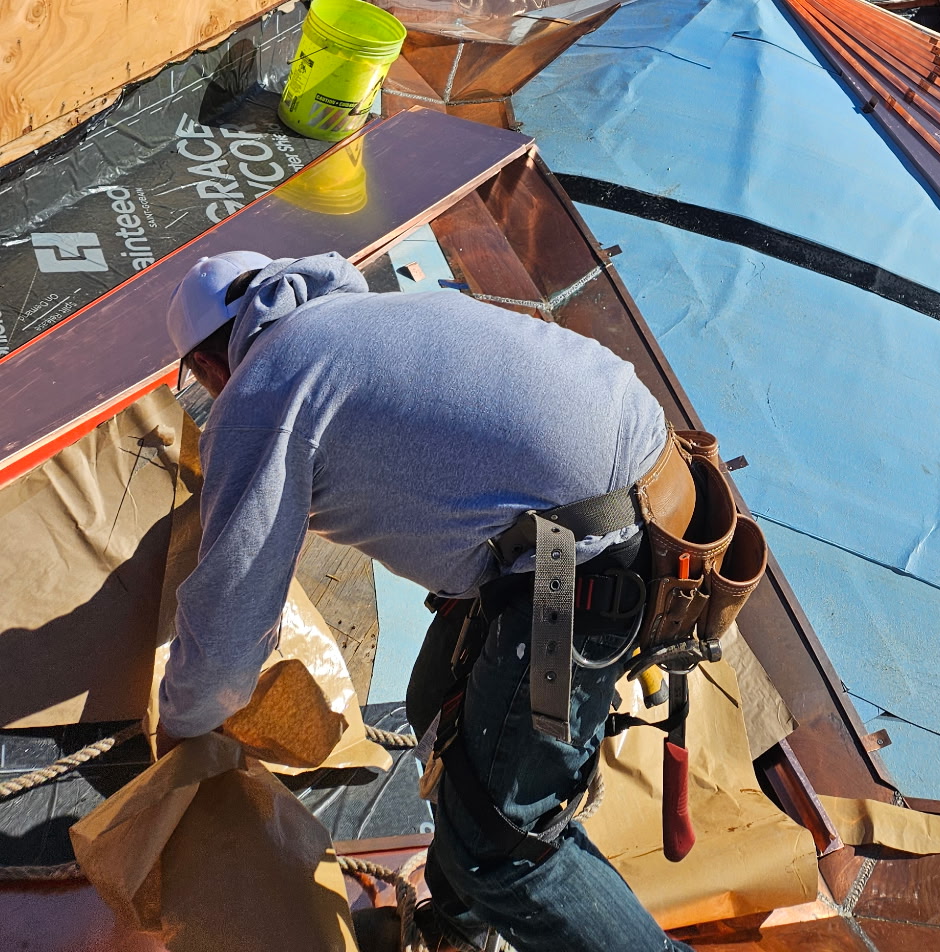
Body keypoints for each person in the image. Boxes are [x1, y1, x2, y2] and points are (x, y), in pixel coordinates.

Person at [160, 248, 691, 952]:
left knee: (503, 843)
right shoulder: (359, 315)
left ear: (206, 365)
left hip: (573, 567)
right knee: (436, 697)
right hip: (653, 497)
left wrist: (180, 728)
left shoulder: (263, 392)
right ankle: (456, 929)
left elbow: (231, 617)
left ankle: (493, 889)